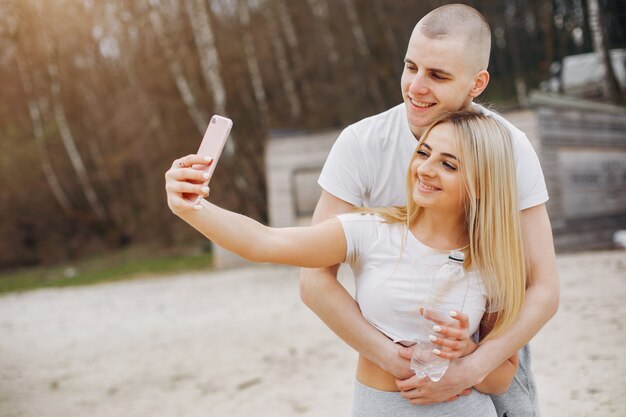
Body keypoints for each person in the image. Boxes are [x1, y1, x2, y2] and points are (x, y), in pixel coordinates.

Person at [165, 109, 526, 416]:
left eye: (448, 164)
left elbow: (504, 376)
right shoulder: (372, 231)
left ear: (480, 184)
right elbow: (265, 241)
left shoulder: (491, 261)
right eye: (423, 153)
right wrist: (191, 207)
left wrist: (470, 353)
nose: (426, 169)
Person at [299, 4, 559, 417]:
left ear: (477, 83)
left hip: (491, 352)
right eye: (411, 67)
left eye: (437, 75)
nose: (415, 86)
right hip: (389, 369)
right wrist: (387, 355)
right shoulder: (360, 143)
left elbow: (543, 287)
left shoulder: (510, 147)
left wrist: (471, 367)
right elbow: (313, 278)